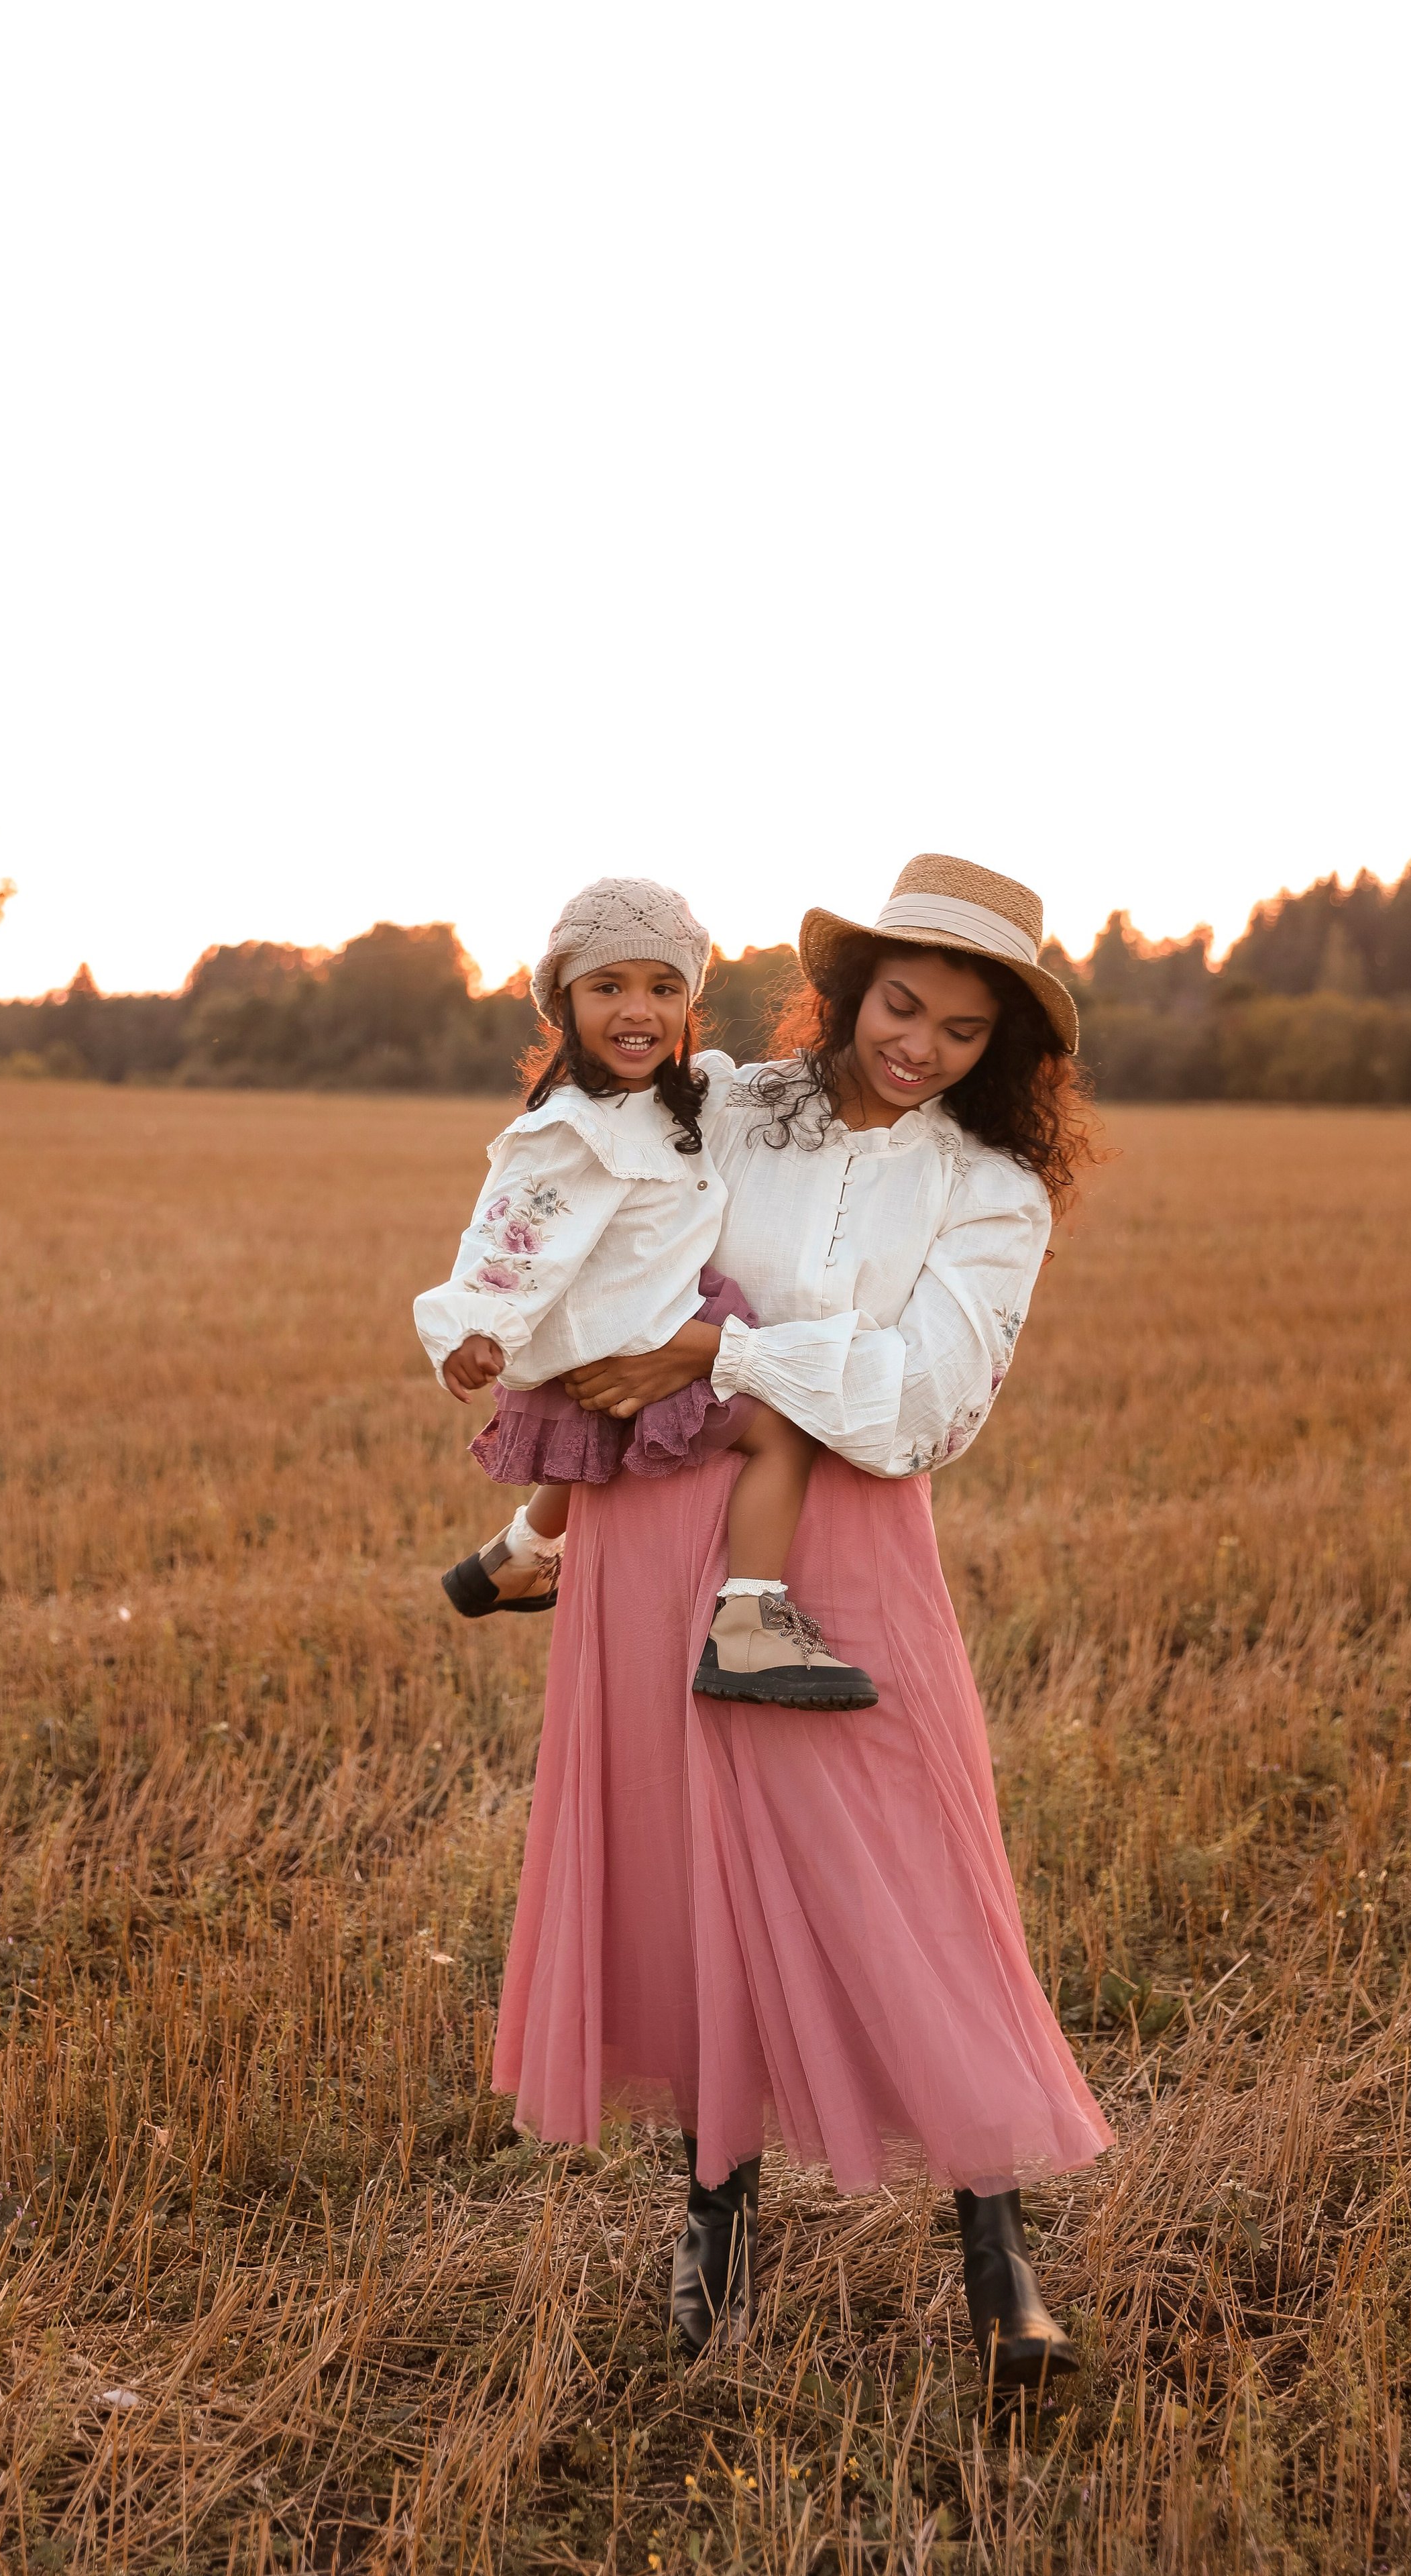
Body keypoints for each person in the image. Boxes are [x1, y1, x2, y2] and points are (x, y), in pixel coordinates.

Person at [482, 853, 1115, 2392]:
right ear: (849, 984)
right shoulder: (721, 1100)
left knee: (913, 1875)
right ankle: (714, 2221)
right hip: (646, 1534)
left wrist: (726, 1345)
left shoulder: (989, 1188)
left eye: (964, 1032)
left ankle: (996, 2251)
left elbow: (920, 1403)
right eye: (904, 1004)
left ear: (1001, 1049)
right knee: (690, 1878)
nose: (920, 1046)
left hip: (844, 1534)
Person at [414, 875, 878, 1710]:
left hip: (637, 1318)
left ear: (690, 1000)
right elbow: (510, 1227)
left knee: (594, 1440)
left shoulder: (666, 1096)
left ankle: (517, 1555)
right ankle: (749, 1625)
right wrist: (476, 1325)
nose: (639, 1010)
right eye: (608, 987)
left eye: (664, 988)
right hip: (639, 1333)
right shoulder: (571, 1127)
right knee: (785, 1433)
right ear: (564, 1002)